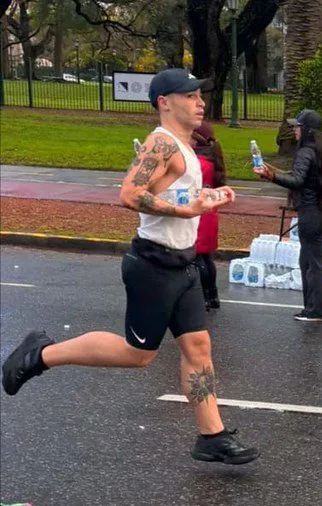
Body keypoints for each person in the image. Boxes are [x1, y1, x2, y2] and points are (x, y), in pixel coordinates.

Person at [1, 68, 259, 465]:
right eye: (190, 95)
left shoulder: (185, 146)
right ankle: (41, 354)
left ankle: (212, 435)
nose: (200, 102)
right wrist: (185, 208)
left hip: (184, 263)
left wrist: (205, 197)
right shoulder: (162, 143)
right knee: (137, 354)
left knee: (198, 346)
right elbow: (129, 193)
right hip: (154, 265)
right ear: (164, 102)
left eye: (200, 95)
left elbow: (170, 194)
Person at [255, 109, 322, 322]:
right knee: (310, 262)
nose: (294, 130)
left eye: (297, 126)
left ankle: (317, 310)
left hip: (310, 213)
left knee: (312, 264)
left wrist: (270, 176)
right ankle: (312, 307)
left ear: (306, 129)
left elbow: (297, 180)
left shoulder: (305, 152)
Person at [192, 121, 225, 310]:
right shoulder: (212, 159)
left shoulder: (199, 163)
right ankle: (212, 295)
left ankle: (203, 297)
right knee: (206, 257)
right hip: (210, 212)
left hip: (200, 212)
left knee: (197, 257)